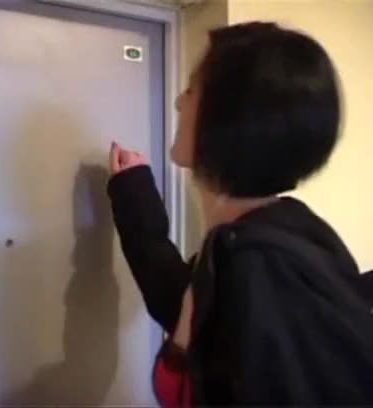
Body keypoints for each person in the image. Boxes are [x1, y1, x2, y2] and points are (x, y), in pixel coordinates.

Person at [107, 22, 373, 406]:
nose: (179, 103)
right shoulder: (276, 234)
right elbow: (185, 307)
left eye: (191, 90)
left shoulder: (259, 260)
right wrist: (133, 190)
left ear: (227, 118)